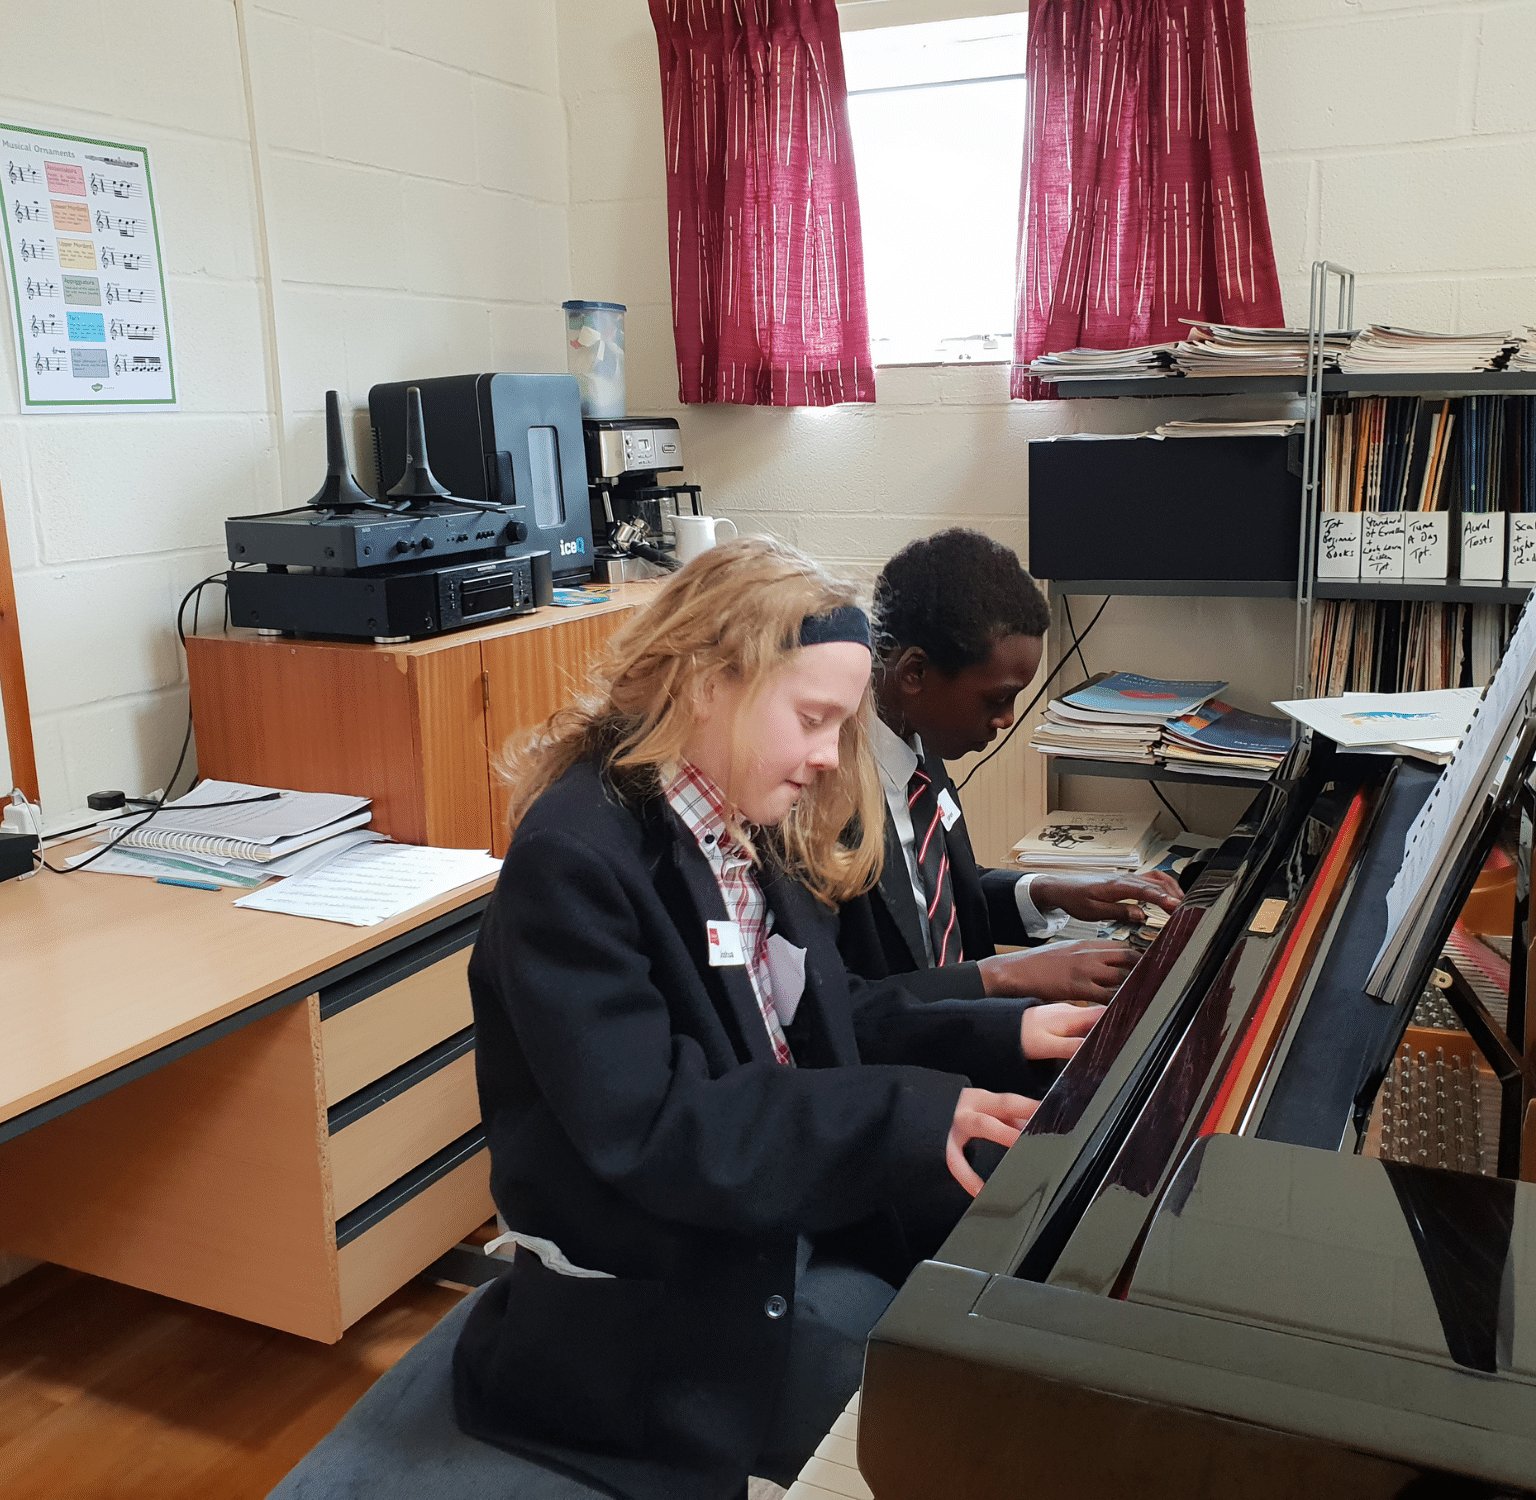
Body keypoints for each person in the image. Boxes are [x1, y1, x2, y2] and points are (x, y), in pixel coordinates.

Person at [453, 538, 1103, 1500]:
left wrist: (1002, 1033)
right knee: (965, 1436)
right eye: (812, 719)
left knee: (1046, 1299)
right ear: (709, 683)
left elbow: (827, 1018)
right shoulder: (575, 860)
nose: (828, 757)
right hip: (659, 1308)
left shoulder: (744, 824)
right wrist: (905, 1118)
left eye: (841, 725)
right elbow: (662, 1128)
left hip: (774, 1213)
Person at [839, 528, 1183, 1008]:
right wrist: (1005, 974)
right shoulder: (820, 796)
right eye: (996, 699)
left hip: (971, 1025)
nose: (1005, 720)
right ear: (914, 673)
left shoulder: (919, 743)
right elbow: (836, 1007)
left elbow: (939, 894)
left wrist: (1052, 890)